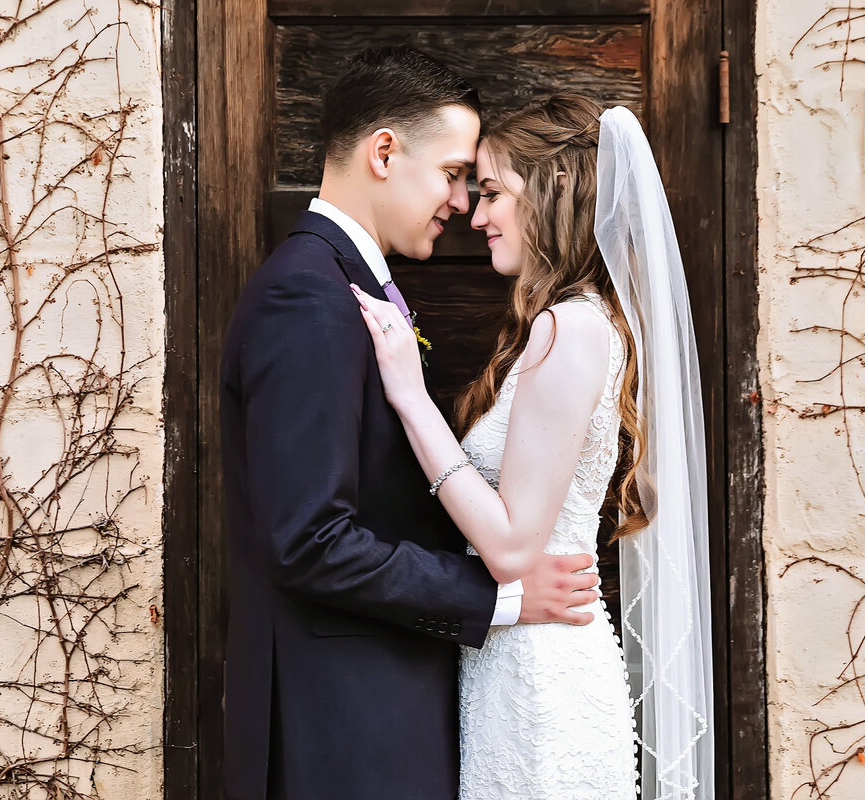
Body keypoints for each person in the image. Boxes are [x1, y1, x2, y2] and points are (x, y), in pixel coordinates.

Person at [218, 48, 601, 800]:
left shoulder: (349, 286)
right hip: (343, 727)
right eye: (454, 174)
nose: (461, 203)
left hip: (386, 712)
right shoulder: (308, 296)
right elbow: (309, 540)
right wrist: (498, 600)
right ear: (384, 152)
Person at [353, 95, 716, 800]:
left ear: (550, 194)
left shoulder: (571, 330)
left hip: (543, 687)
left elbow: (513, 547)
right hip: (515, 665)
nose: (477, 215)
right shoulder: (567, 325)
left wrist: (407, 393)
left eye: (492, 193)